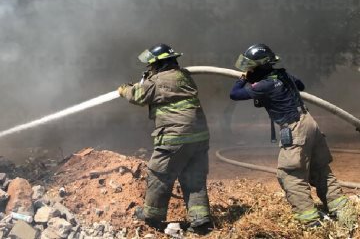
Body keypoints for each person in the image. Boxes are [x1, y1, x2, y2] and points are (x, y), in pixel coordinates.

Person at [229, 43, 350, 227]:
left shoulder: (264, 85)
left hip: (295, 129)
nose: (248, 70)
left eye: (250, 67)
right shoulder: (282, 75)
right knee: (320, 170)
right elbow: (300, 85)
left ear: (260, 66)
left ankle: (310, 222)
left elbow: (234, 94)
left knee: (290, 175)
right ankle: (343, 213)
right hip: (310, 123)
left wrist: (243, 79)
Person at [118, 43, 212, 233]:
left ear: (159, 64)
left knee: (159, 174)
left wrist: (124, 89)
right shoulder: (183, 75)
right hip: (199, 137)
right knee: (193, 179)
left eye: (150, 66)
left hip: (174, 138)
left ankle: (152, 216)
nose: (149, 69)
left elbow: (137, 96)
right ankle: (201, 221)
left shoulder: (157, 81)